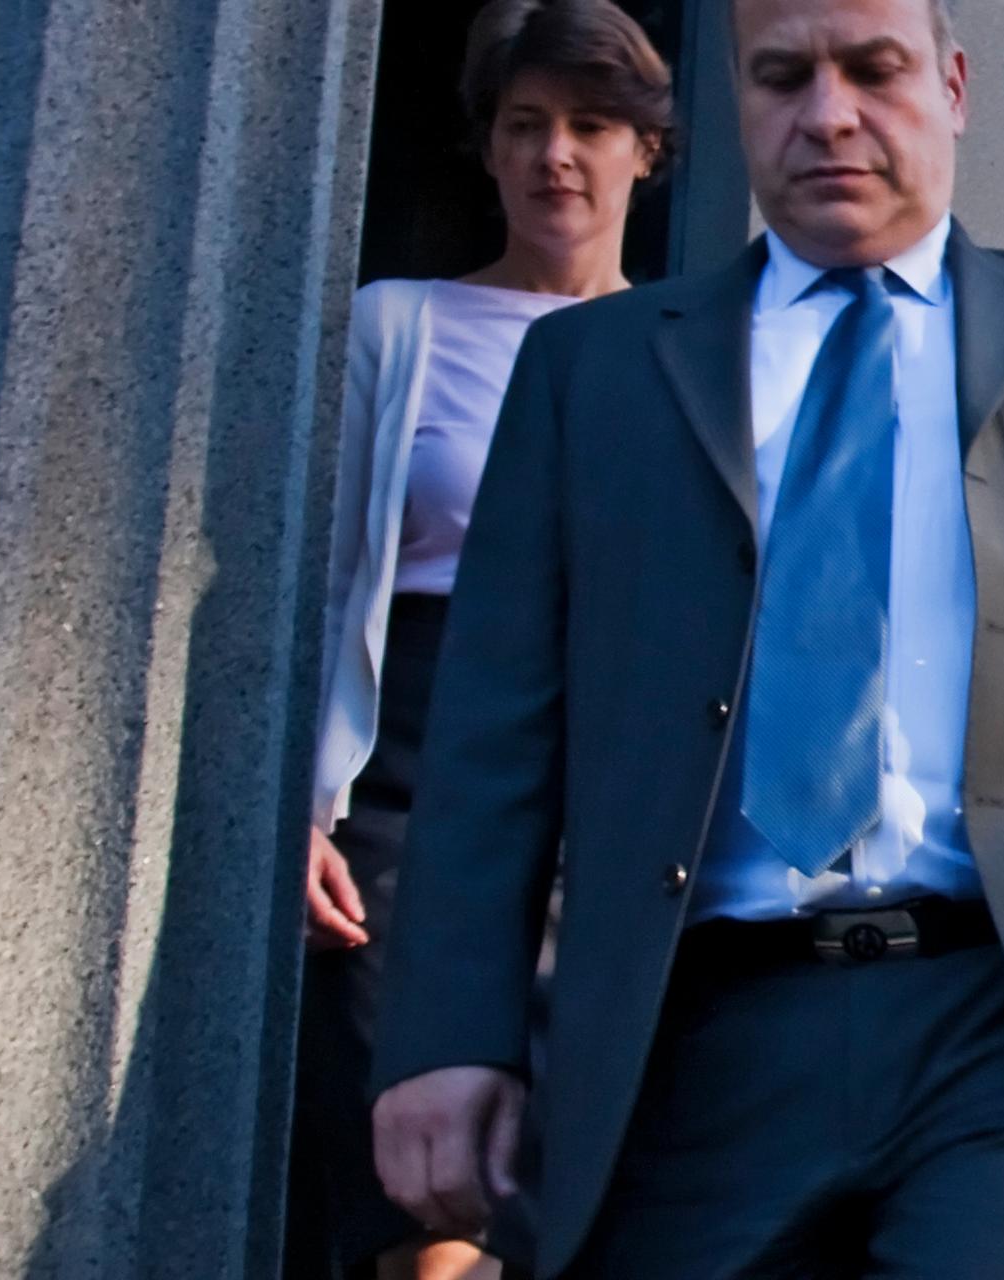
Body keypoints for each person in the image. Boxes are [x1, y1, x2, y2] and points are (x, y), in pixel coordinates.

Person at [364, 0, 1004, 1273]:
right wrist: (448, 1034)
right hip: (690, 1042)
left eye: (873, 71)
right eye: (781, 78)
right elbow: (492, 736)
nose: (829, 116)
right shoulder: (589, 370)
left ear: (955, 84)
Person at [296, 3, 668, 1274]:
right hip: (411, 785)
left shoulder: (694, 357)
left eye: (591, 124)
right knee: (428, 1190)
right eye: (526, 125)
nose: (556, 153)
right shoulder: (398, 326)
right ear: (490, 149)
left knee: (579, 1183)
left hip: (609, 799)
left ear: (645, 152)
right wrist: (306, 806)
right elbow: (322, 573)